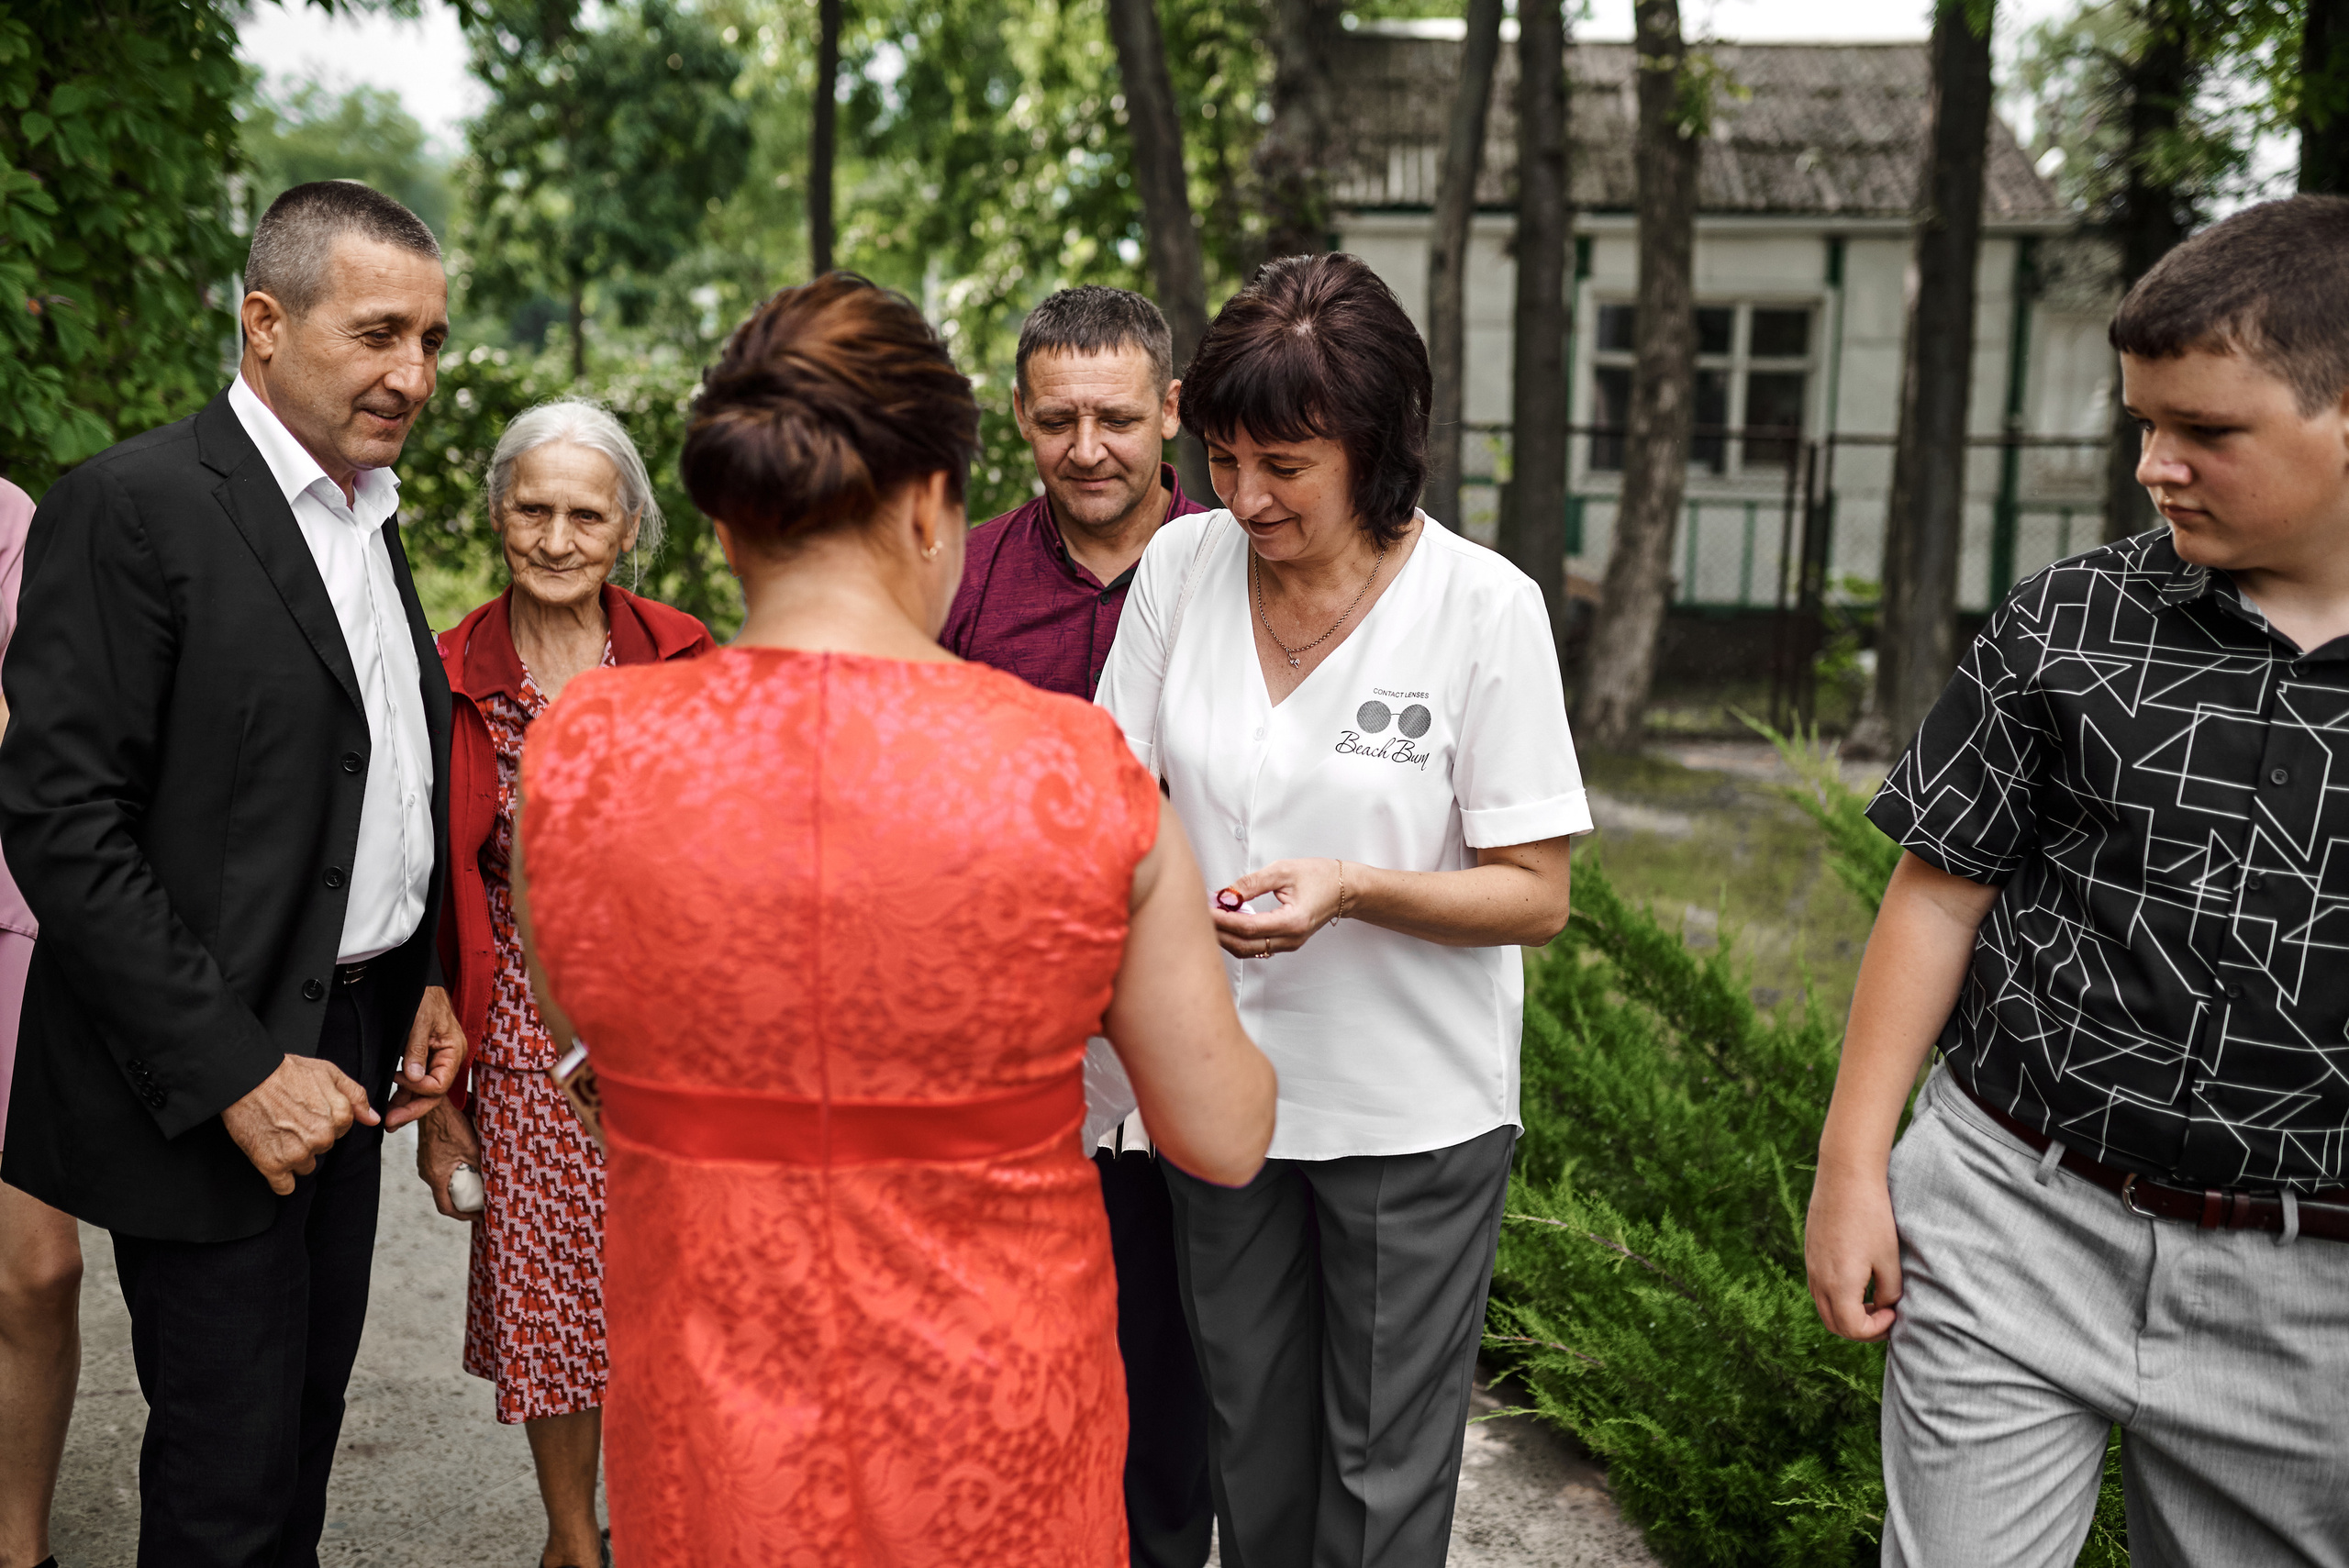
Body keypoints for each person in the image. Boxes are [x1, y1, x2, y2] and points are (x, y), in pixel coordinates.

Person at [510, 272, 1277, 1566]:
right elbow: (1221, 1134)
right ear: (932, 504)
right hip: (997, 1431)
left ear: (725, 522)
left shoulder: (582, 751)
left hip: (712, 1428)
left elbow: (581, 1028)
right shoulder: (1076, 771)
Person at [1804, 195, 2349, 1566]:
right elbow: (1939, 891)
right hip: (2011, 1217)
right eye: (2142, 426)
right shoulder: (2072, 619)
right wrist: (1853, 1164)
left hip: (2313, 1309)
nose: (2155, 466)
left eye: (2206, 431)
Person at [1094, 250, 1590, 1568]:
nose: (1245, 496)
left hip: (1407, 1116)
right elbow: (1112, 794)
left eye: (1285, 467)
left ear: (1375, 448)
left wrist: (1353, 888)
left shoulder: (1483, 609)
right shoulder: (1179, 568)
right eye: (1224, 457)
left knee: (1377, 1487)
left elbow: (1535, 895)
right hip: (1218, 1098)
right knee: (1252, 1451)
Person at [0, 181, 465, 1567]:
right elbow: (63, 820)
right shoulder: (129, 506)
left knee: (299, 1439)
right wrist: (235, 1073)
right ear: (265, 323)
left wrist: (431, 973)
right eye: (382, 332)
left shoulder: (368, 514)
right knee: (224, 1479)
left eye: (433, 340)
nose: (415, 373)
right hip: (212, 1062)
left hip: (357, 1031)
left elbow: (374, 771)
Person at [939, 284, 1217, 1568]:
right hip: (1009, 1059)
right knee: (1004, 1380)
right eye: (1059, 421)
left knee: (1172, 1385)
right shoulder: (967, 577)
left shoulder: (1240, 561)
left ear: (1171, 410)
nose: (1088, 448)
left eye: (1116, 416)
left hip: (1190, 1038)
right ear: (1019, 418)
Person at [412, 399, 713, 1568]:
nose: (554, 535)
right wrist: (441, 1109)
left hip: (666, 1027)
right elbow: (418, 899)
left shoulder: (683, 656)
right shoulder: (445, 678)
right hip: (523, 1034)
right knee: (553, 1295)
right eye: (531, 508)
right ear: (497, 514)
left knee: (669, 1289)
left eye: (585, 513)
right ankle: (571, 1537)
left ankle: (649, 1516)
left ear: (628, 525)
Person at [0, 476, 78, 1568]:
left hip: (10, 910)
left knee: (40, 1265)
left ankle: (21, 1546)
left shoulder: (8, 514)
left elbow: (46, 724)